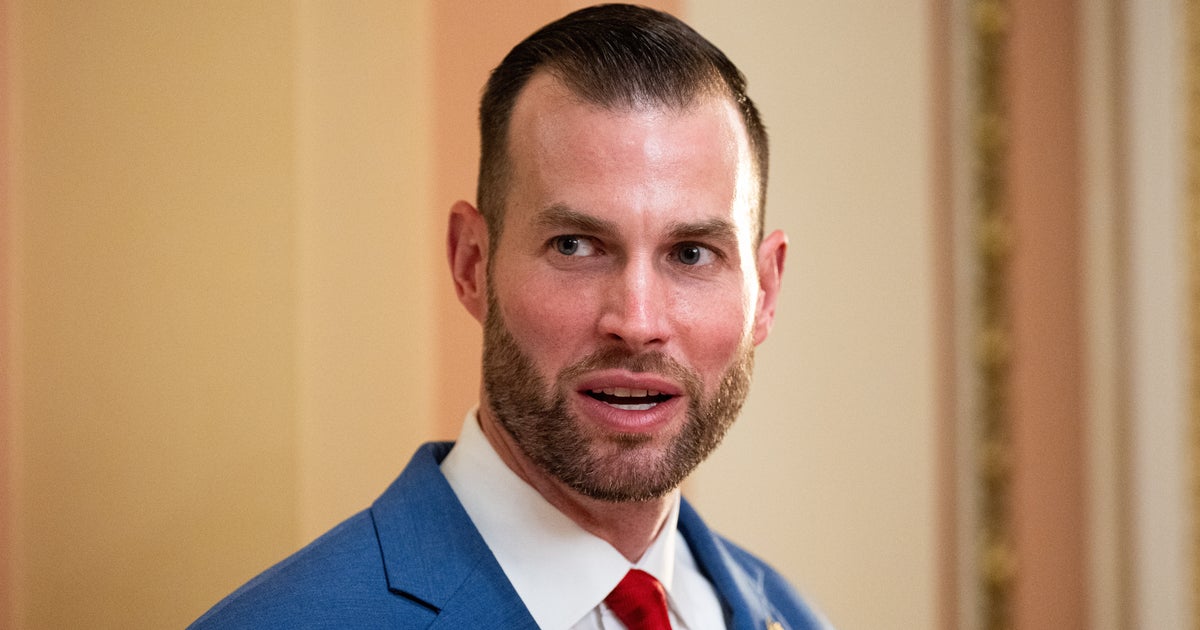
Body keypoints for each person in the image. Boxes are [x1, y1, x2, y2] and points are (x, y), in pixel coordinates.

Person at [192, 4, 829, 629]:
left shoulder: (796, 618)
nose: (637, 322)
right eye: (574, 246)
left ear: (765, 291)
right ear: (472, 263)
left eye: (691, 253)